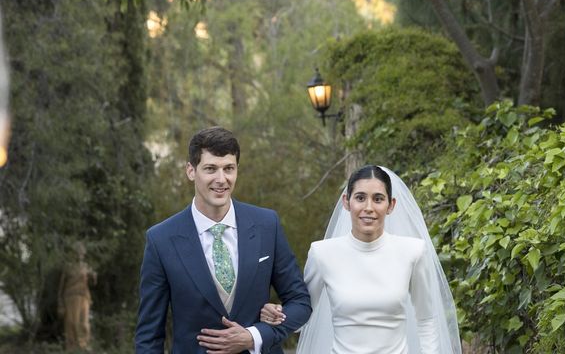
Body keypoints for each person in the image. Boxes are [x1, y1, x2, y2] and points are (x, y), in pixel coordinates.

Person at [135, 126, 312, 353]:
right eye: (210, 169)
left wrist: (253, 336)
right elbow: (149, 336)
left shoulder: (267, 225)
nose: (221, 179)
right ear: (191, 171)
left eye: (229, 168)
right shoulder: (161, 240)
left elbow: (300, 302)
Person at [261, 165, 461, 354]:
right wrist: (277, 314)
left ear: (391, 205)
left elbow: (426, 320)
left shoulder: (413, 251)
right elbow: (304, 316)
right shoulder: (322, 253)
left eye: (378, 199)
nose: (368, 207)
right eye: (360, 198)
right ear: (346, 202)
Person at [57, 241, 97, 351]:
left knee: (84, 323)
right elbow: (61, 287)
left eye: (81, 253)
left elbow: (93, 283)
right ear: (72, 254)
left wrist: (93, 276)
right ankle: (71, 347)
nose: (79, 255)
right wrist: (60, 303)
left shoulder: (86, 267)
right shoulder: (67, 267)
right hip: (70, 297)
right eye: (77, 252)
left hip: (84, 297)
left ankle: (84, 346)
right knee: (71, 323)